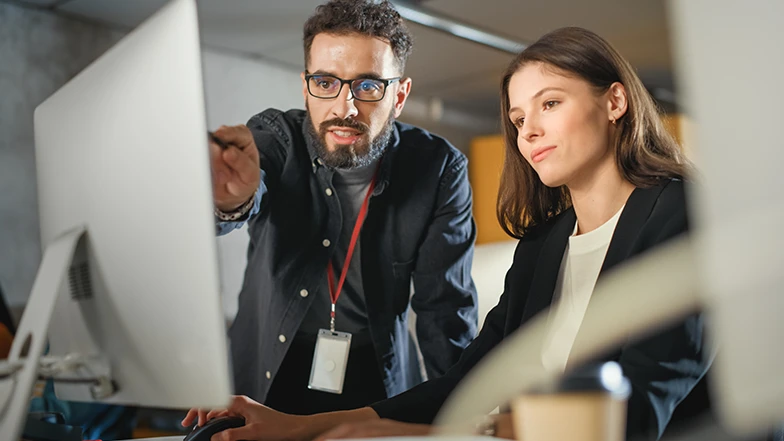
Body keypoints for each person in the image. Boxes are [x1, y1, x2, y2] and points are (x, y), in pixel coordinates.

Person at [183, 27, 710, 441]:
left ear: (615, 102)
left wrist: (418, 432)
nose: (528, 131)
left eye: (550, 104)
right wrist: (297, 426)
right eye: (518, 116)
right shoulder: (544, 245)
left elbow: (639, 411)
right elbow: (468, 381)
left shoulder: (686, 214)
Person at [207, 0, 478, 415]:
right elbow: (248, 191)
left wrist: (466, 414)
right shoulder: (275, 137)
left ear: (400, 96)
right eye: (326, 83)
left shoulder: (438, 169)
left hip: (377, 374)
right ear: (306, 86)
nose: (344, 109)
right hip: (269, 369)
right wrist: (230, 200)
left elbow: (445, 309)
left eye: (368, 86)